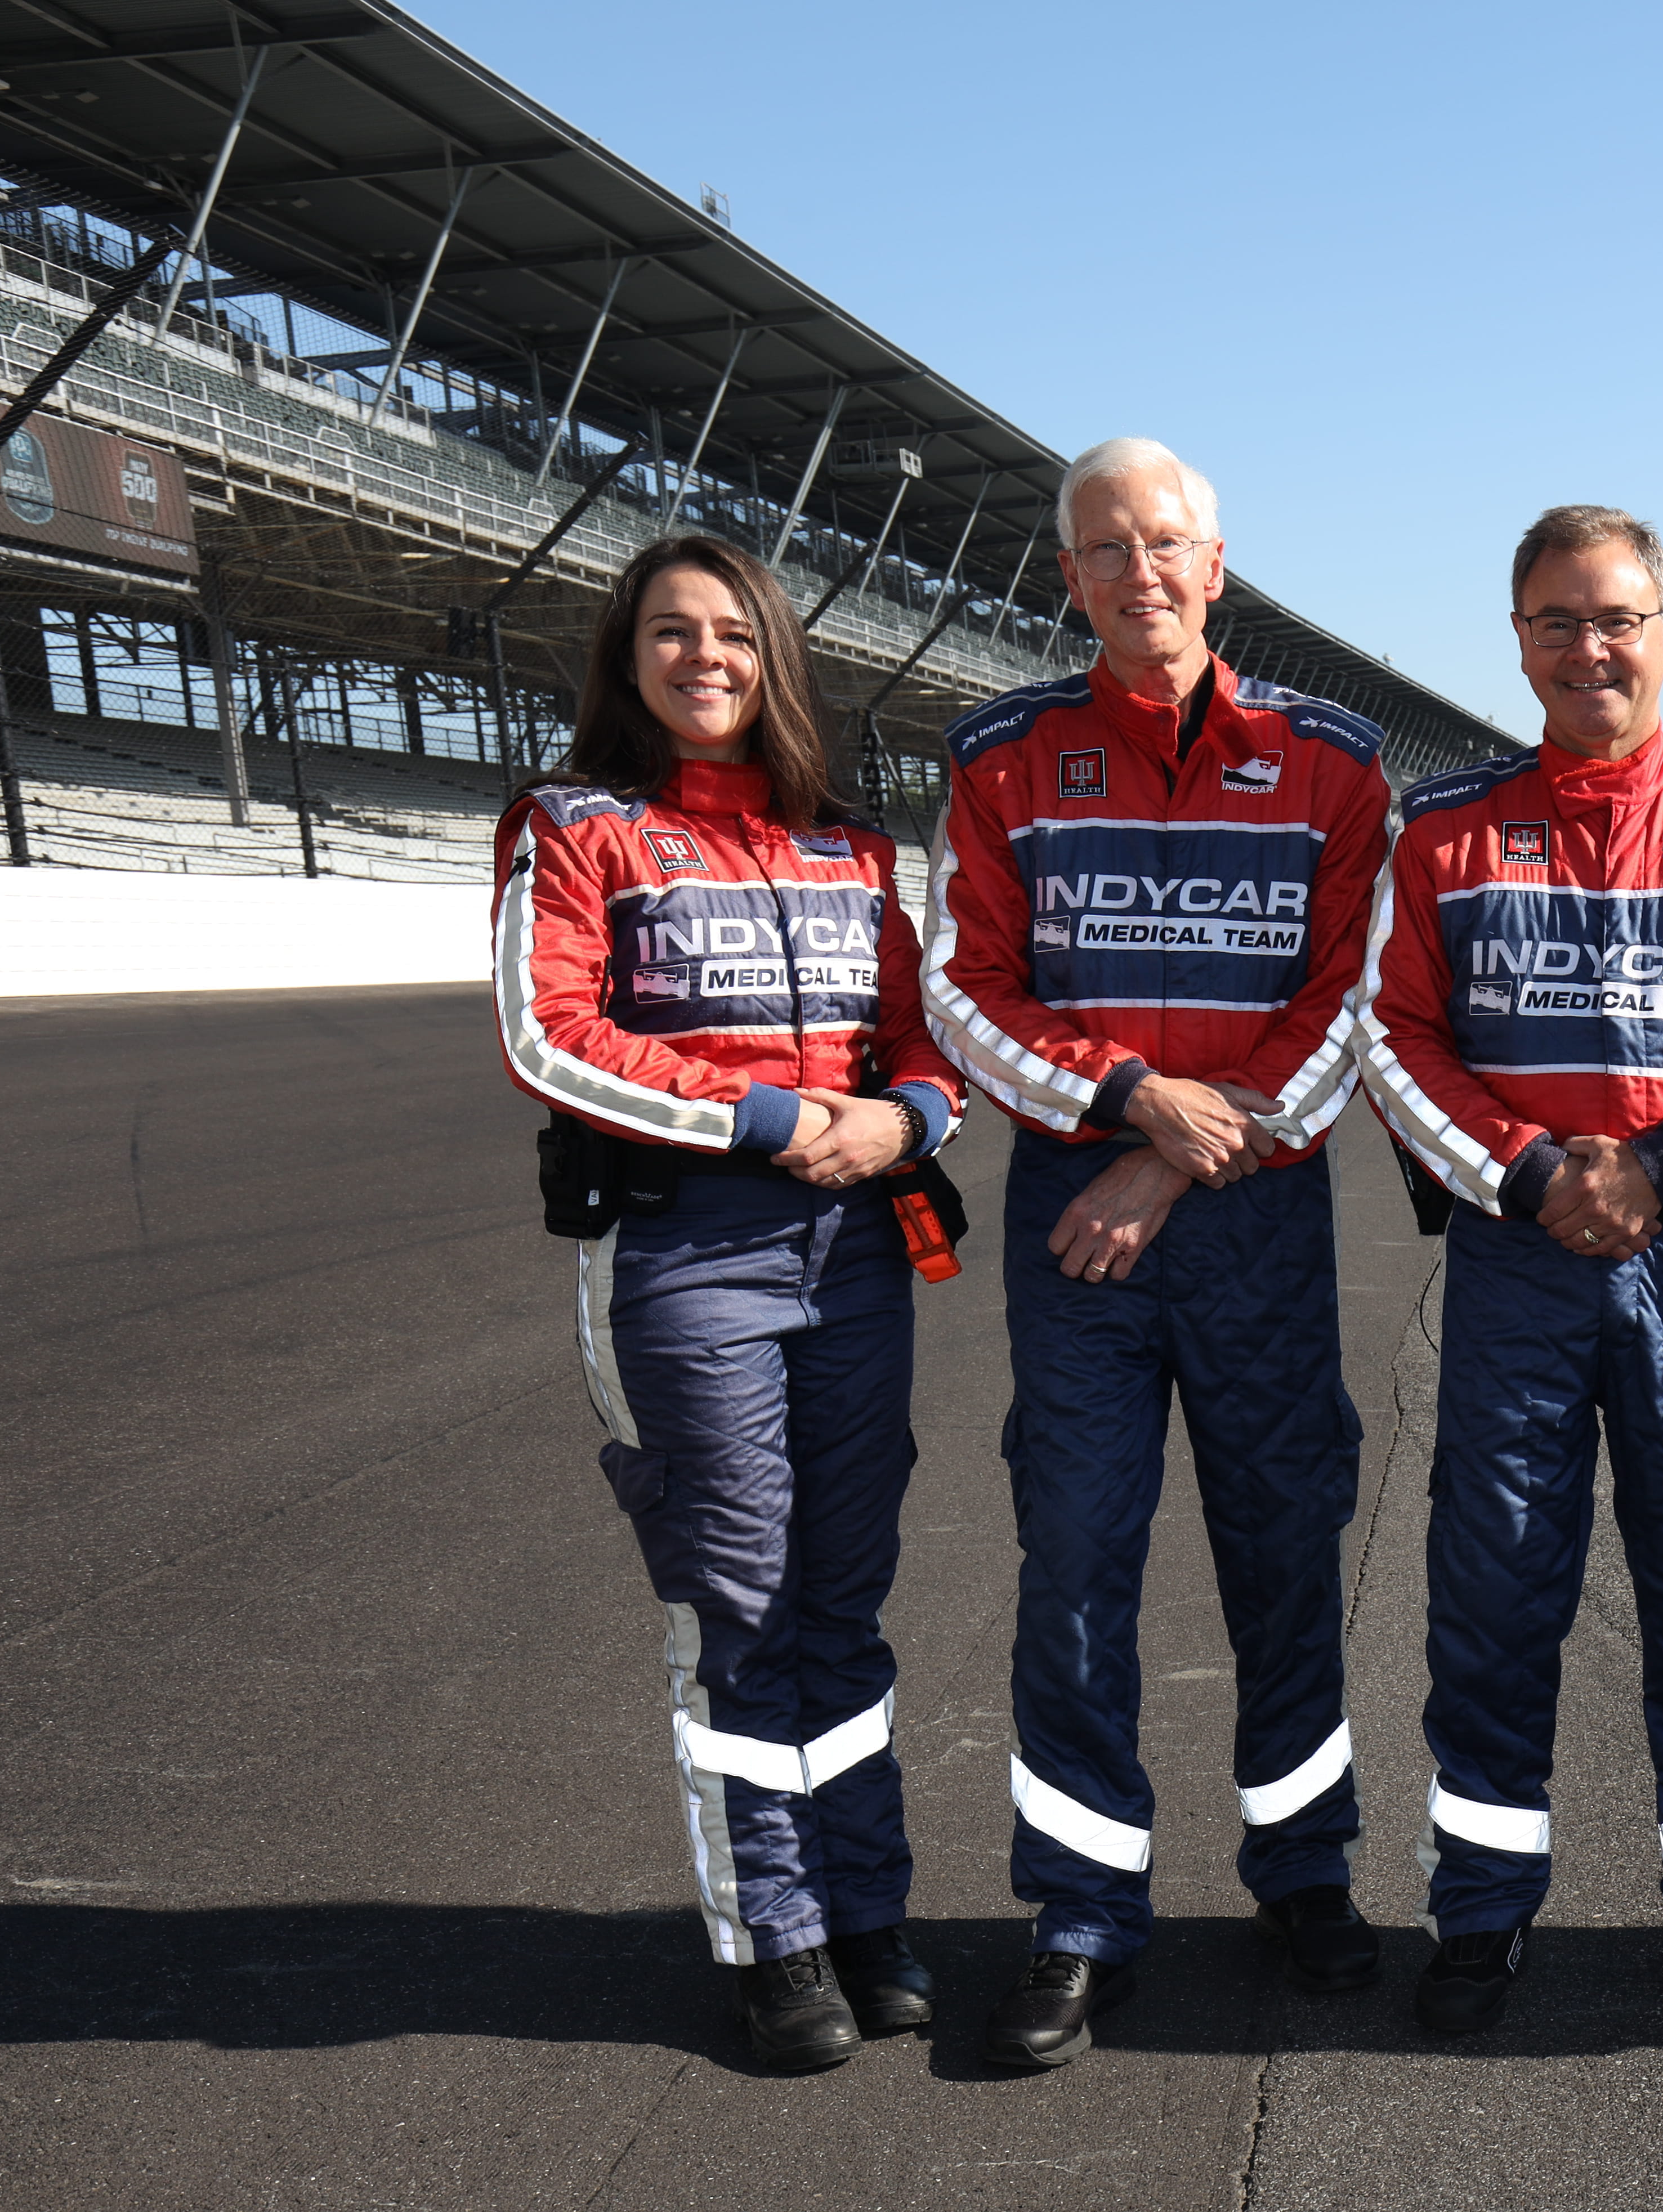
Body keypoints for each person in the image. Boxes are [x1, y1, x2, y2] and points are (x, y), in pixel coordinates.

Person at [1358, 504, 1663, 2035]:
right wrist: (1527, 1172)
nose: (1591, 647)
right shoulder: (1444, 832)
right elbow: (1396, 1033)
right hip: (1518, 1257)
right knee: (1495, 1583)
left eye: (1619, 616)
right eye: (1559, 621)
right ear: (1518, 640)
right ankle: (1483, 1901)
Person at [926, 439, 1392, 2070]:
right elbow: (963, 990)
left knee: (1284, 1556)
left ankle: (1307, 1871)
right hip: (1082, 1233)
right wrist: (1129, 1104)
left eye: (1169, 541)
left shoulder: (1333, 761)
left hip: (1247, 1214)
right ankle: (1079, 1911)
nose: (1142, 569)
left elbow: (1355, 1005)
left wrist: (1178, 1162)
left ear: (1217, 561)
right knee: (1073, 1570)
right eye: (1108, 546)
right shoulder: (1002, 756)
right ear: (1071, 577)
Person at [493, 534, 966, 2074]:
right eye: (672, 634)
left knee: (846, 1598)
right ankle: (775, 1936)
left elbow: (921, 1036)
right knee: (740, 1602)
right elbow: (549, 1034)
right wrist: (766, 1119)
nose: (706, 658)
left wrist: (905, 1121)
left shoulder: (845, 842)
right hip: (686, 1257)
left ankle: (869, 1909)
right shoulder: (574, 826)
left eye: (734, 635)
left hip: (859, 1256)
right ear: (626, 660)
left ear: (775, 660)